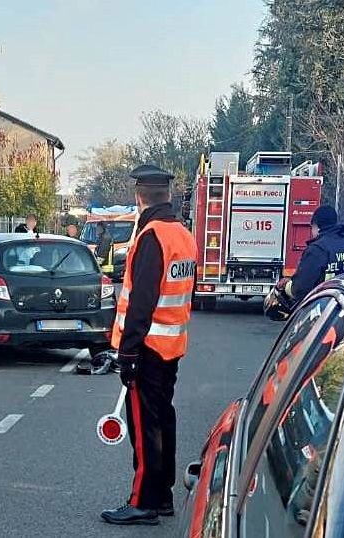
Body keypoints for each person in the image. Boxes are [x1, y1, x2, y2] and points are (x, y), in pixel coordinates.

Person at [100, 164, 197, 526]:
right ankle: (163, 495)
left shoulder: (152, 236)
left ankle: (142, 500)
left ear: (140, 197)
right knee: (162, 420)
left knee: (143, 427)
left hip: (146, 349)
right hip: (171, 347)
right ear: (167, 196)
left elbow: (141, 300)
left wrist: (127, 354)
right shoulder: (184, 235)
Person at [276, 205, 344, 305]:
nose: (312, 232)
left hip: (322, 309)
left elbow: (299, 290)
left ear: (317, 226)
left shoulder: (317, 250)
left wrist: (286, 286)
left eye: (312, 228)